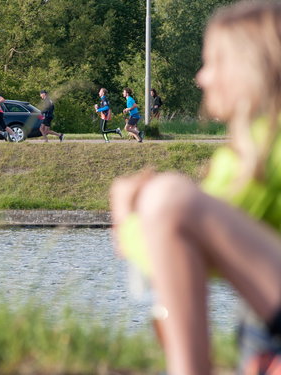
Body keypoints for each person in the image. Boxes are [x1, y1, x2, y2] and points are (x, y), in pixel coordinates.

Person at [110, 2, 281, 375]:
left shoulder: (265, 148)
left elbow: (180, 248)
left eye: (214, 63)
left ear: (251, 67)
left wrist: (126, 221)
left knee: (168, 199)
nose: (201, 79)